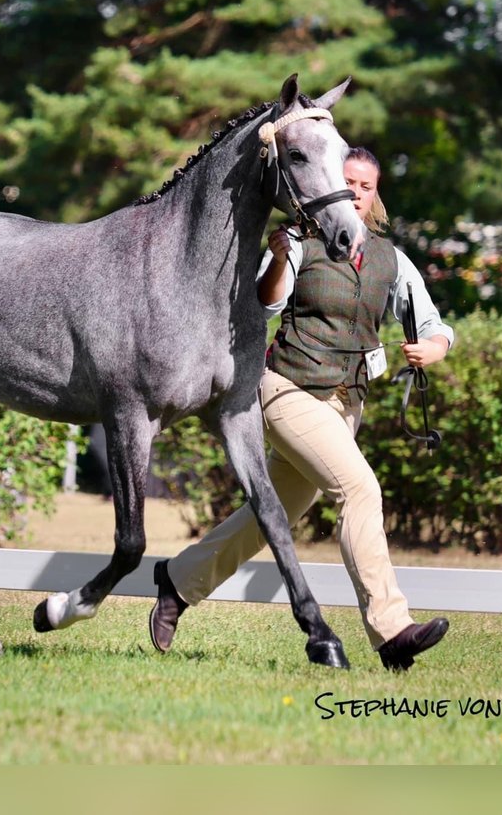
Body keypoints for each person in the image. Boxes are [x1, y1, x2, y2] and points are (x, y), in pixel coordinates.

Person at [149, 147, 454, 671]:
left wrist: (433, 348)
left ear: (374, 194)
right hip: (285, 391)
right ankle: (392, 629)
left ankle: (178, 583)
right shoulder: (297, 240)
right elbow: (268, 302)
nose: (356, 192)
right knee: (359, 489)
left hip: (344, 404)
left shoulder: (391, 258)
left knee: (274, 514)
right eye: (348, 181)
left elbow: (433, 324)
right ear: (332, 182)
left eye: (365, 186)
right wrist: (276, 256)